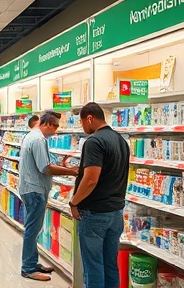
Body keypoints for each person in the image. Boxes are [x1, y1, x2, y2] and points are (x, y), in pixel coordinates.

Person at [69, 102, 130, 288]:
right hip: (116, 212)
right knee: (110, 265)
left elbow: (91, 179)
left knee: (93, 266)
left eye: (82, 123)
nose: (83, 127)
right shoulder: (121, 141)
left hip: (95, 213)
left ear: (89, 118)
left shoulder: (94, 142)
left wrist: (74, 202)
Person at [18, 111, 78, 281]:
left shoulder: (34, 137)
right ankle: (28, 268)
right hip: (34, 190)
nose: (57, 130)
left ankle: (32, 262)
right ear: (48, 124)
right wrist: (71, 171)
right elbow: (46, 168)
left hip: (32, 188)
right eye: (56, 126)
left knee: (34, 228)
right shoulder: (37, 139)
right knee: (32, 229)